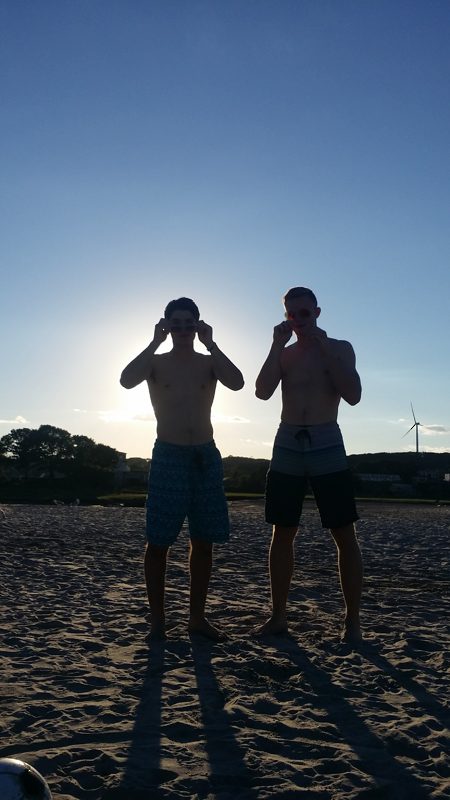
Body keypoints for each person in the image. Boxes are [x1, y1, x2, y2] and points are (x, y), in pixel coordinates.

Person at [120, 297, 244, 640]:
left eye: (189, 323)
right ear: (167, 325)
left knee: (203, 542)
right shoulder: (155, 362)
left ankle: (197, 618)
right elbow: (126, 381)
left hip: (204, 455)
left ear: (198, 324)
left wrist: (212, 343)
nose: (184, 329)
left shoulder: (209, 362)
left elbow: (237, 382)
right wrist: (154, 341)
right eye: (177, 323)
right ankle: (158, 621)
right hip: (168, 455)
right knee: (158, 541)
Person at [255, 287, 363, 642]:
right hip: (288, 440)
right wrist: (275, 345)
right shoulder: (285, 354)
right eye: (292, 314)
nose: (299, 320)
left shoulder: (340, 348)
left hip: (326, 439)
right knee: (282, 531)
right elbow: (262, 391)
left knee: (343, 532)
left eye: (304, 313)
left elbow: (353, 395)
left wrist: (326, 350)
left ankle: (352, 621)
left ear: (317, 312)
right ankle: (278, 616)